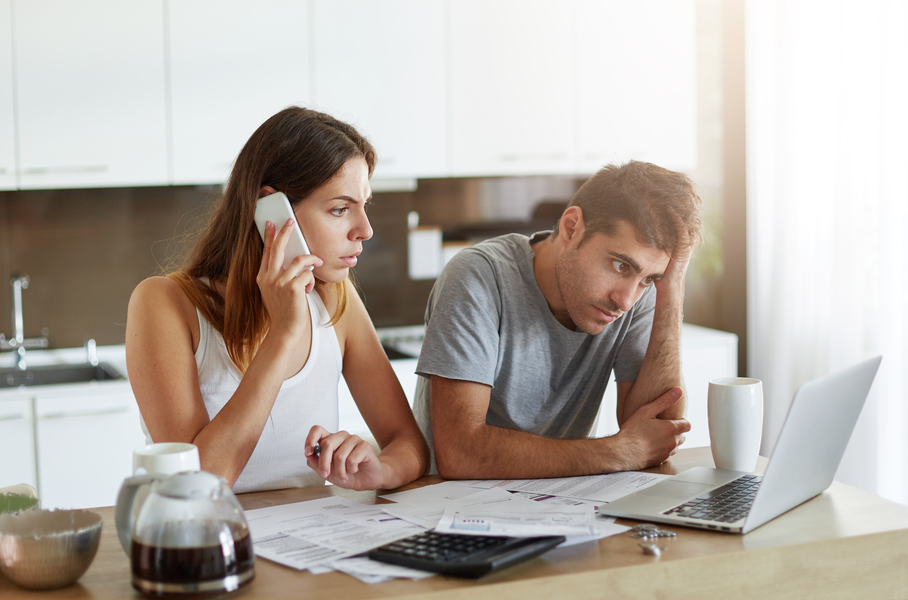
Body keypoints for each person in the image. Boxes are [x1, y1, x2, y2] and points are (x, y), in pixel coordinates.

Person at [126, 106, 429, 493]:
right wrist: (284, 333)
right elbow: (196, 487)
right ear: (270, 209)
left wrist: (380, 469)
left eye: (364, 205)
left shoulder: (335, 298)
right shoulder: (164, 304)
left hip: (313, 544)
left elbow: (409, 443)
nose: (365, 230)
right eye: (340, 209)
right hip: (211, 547)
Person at [413, 160, 703, 479]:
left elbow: (659, 432)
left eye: (649, 278)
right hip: (448, 509)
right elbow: (460, 453)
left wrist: (671, 288)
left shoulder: (638, 292)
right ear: (571, 228)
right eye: (620, 266)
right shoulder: (478, 277)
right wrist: (618, 451)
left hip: (559, 506)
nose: (626, 300)